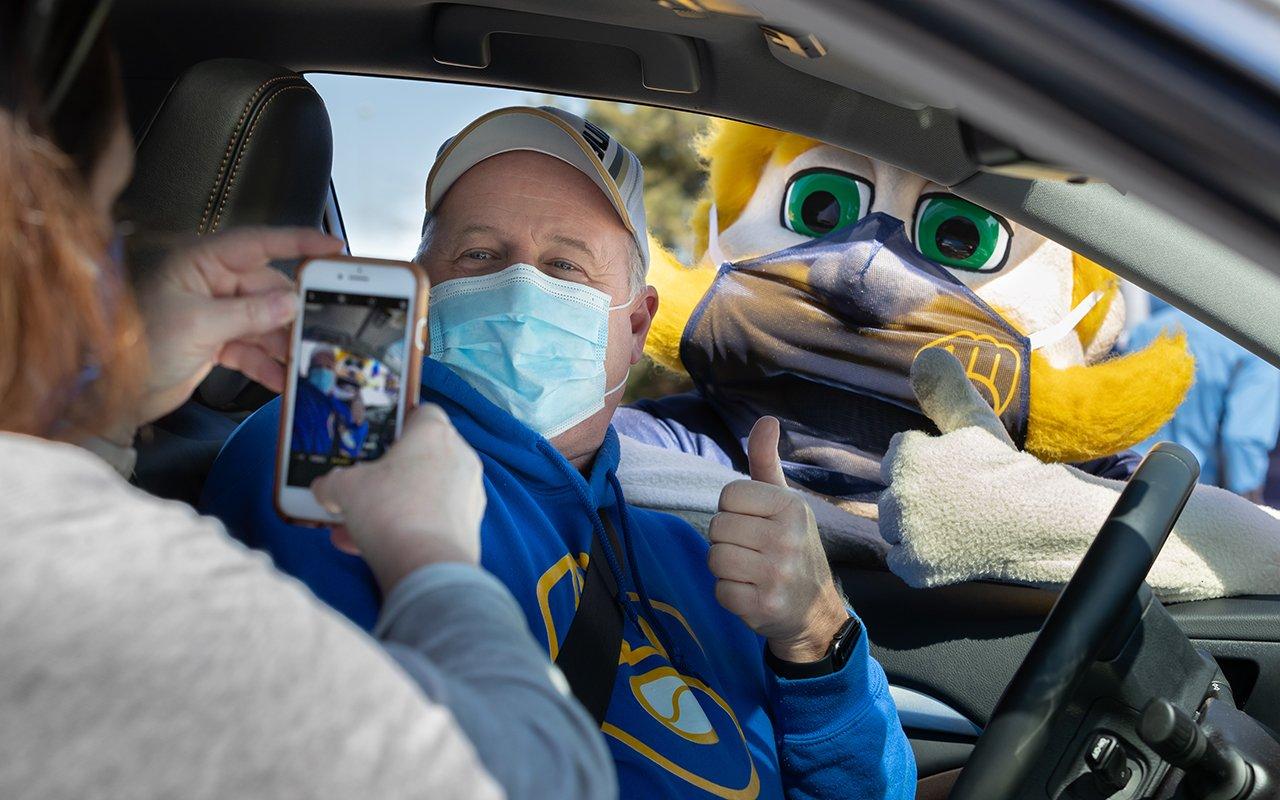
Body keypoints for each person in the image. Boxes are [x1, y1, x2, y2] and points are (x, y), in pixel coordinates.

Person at [204, 106, 916, 798]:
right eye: (478, 255)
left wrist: (818, 636)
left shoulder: (701, 557)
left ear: (636, 326)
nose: (519, 287)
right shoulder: (342, 470)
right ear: (421, 299)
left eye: (565, 265)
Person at [0, 4, 613, 799]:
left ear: (638, 322)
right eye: (106, 233)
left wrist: (98, 410)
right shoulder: (95, 574)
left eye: (566, 269)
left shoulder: (672, 506)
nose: (102, 286)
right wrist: (431, 554)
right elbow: (535, 782)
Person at [1125, 297, 1280, 502]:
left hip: (1123, 473)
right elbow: (1242, 439)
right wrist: (1251, 508)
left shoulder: (1149, 328)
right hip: (1185, 497)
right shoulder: (1258, 352)